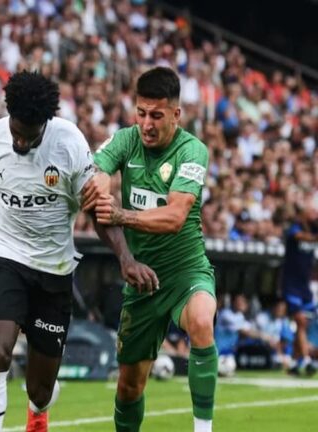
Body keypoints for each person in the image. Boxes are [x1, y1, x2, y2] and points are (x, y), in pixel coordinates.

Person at [0, 71, 156, 432]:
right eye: (15, 131)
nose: (19, 141)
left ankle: (39, 410)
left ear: (45, 123)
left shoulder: (69, 143)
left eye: (28, 137)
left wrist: (125, 257)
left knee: (40, 388)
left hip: (54, 270)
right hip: (7, 257)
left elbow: (95, 208)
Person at [85, 67, 217, 432]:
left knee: (203, 321)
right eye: (141, 113)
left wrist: (121, 213)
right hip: (142, 282)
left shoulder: (192, 151)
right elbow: (97, 175)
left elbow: (175, 216)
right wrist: (98, 183)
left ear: (176, 114)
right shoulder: (125, 141)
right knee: (129, 387)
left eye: (156, 115)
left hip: (185, 271)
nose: (146, 123)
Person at [280, 205, 318, 375]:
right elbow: (301, 237)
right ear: (303, 215)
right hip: (291, 285)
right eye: (312, 211)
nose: (315, 214)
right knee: (301, 321)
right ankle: (307, 360)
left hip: (305, 287)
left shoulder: (315, 228)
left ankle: (295, 363)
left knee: (304, 324)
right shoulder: (294, 228)